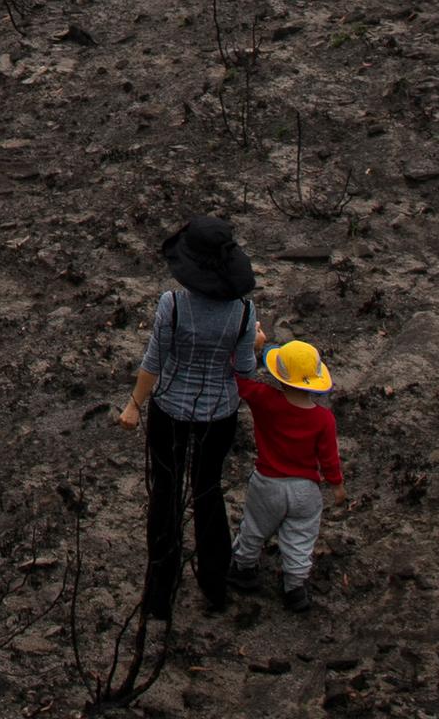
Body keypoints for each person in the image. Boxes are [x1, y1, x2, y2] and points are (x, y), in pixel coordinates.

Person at [114, 215, 267, 623]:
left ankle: (159, 596)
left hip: (169, 412)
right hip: (220, 414)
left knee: (165, 495)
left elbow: (154, 361)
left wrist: (133, 405)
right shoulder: (244, 311)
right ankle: (215, 586)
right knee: (208, 491)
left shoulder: (173, 305)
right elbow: (246, 372)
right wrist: (254, 342)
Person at [232, 339, 344, 610]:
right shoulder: (324, 419)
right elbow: (329, 459)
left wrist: (250, 349)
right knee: (300, 537)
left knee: (255, 528)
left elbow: (239, 381)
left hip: (268, 483)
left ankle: (243, 568)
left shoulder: (264, 399)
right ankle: (295, 588)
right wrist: (337, 485)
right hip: (306, 490)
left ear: (280, 377)